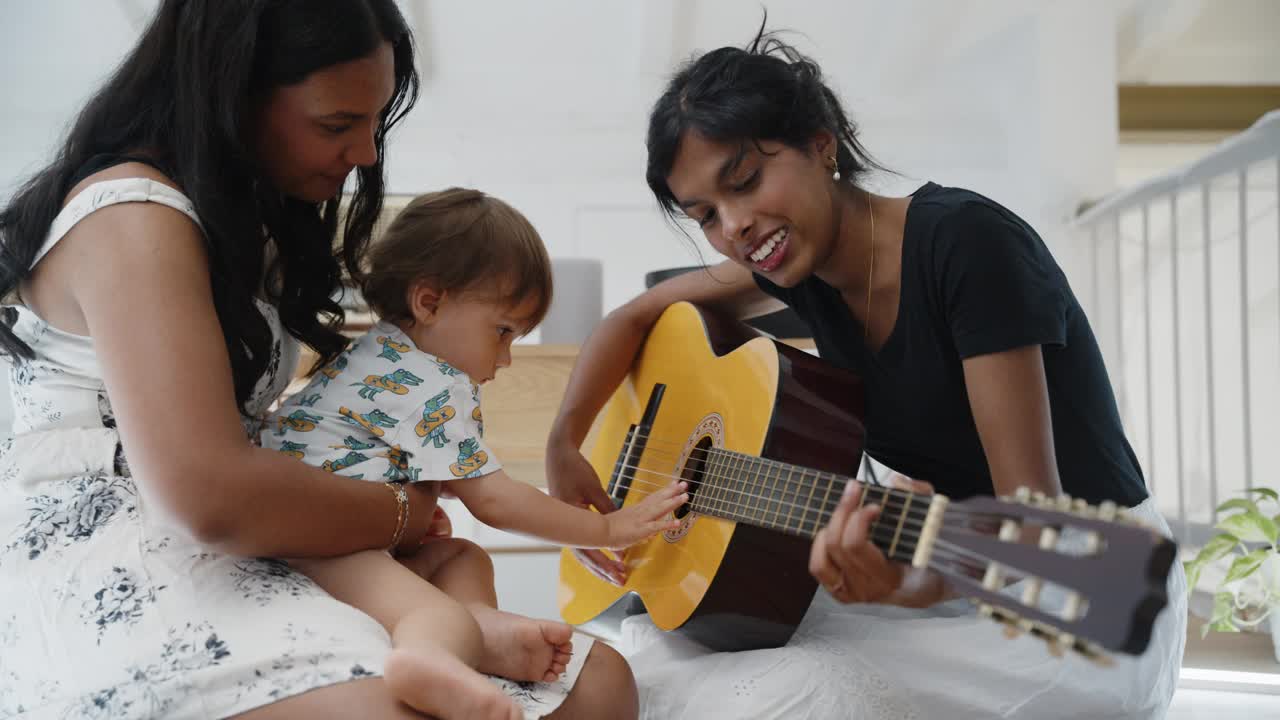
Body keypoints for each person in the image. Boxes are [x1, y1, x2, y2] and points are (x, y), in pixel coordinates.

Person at [0, 2, 638, 718]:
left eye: (375, 122)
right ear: (231, 94)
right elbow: (208, 497)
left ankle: (457, 633)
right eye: (337, 125)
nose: (366, 153)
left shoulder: (240, 223)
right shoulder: (133, 218)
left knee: (601, 684)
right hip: (137, 544)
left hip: (265, 526)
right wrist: (401, 511)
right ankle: (453, 636)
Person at [545, 27, 1186, 720]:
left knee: (775, 694)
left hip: (1093, 593)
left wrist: (907, 587)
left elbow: (1034, 527)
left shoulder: (967, 243)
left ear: (822, 144)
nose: (733, 225)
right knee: (655, 653)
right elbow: (632, 318)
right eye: (705, 215)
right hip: (950, 563)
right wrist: (564, 443)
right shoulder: (802, 271)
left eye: (745, 181)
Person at [262, 187, 687, 718]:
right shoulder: (433, 383)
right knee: (433, 614)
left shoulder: (375, 354)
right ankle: (431, 658)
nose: (506, 358)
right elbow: (495, 501)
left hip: (313, 534)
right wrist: (606, 529)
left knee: (463, 556)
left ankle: (483, 627)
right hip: (320, 550)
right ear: (430, 302)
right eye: (503, 331)